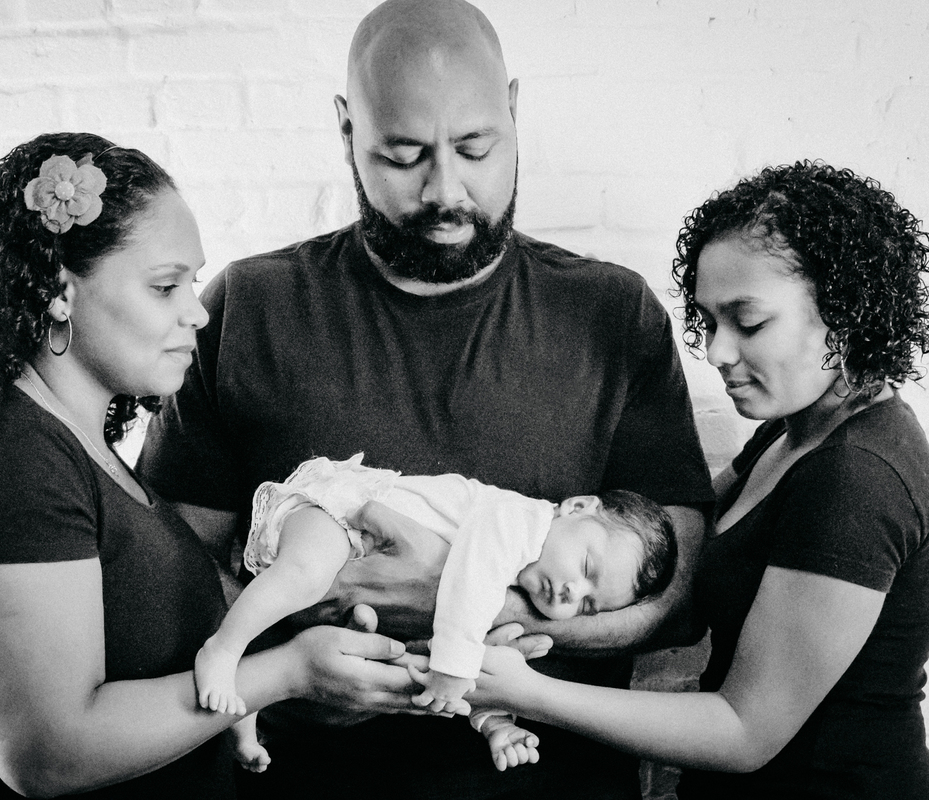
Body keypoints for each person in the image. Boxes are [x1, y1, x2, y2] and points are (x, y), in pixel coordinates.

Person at [136, 0, 714, 796]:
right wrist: (293, 661)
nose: (447, 189)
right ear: (346, 130)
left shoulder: (613, 316)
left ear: (513, 111)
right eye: (404, 154)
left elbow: (677, 596)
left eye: (476, 147)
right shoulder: (248, 307)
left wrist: (479, 606)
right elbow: (166, 578)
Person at [0, 132, 430, 799]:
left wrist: (302, 634)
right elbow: (47, 753)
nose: (198, 311)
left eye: (193, 282)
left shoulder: (75, 447)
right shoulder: (7, 457)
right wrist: (288, 672)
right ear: (60, 292)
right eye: (164, 287)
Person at [467, 161, 929, 800]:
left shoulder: (858, 477)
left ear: (844, 312)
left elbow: (744, 731)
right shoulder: (792, 432)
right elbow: (669, 543)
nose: (717, 352)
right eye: (711, 321)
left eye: (747, 323)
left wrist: (523, 691)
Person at [195, 453, 677, 773]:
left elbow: (481, 656)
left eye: (588, 604)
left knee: (323, 630)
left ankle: (242, 712)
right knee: (302, 575)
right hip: (344, 512)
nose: (573, 590)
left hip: (359, 554)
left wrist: (494, 720)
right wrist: (453, 669)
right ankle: (222, 647)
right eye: (588, 565)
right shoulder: (520, 523)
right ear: (576, 507)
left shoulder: (524, 575)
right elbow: (468, 591)